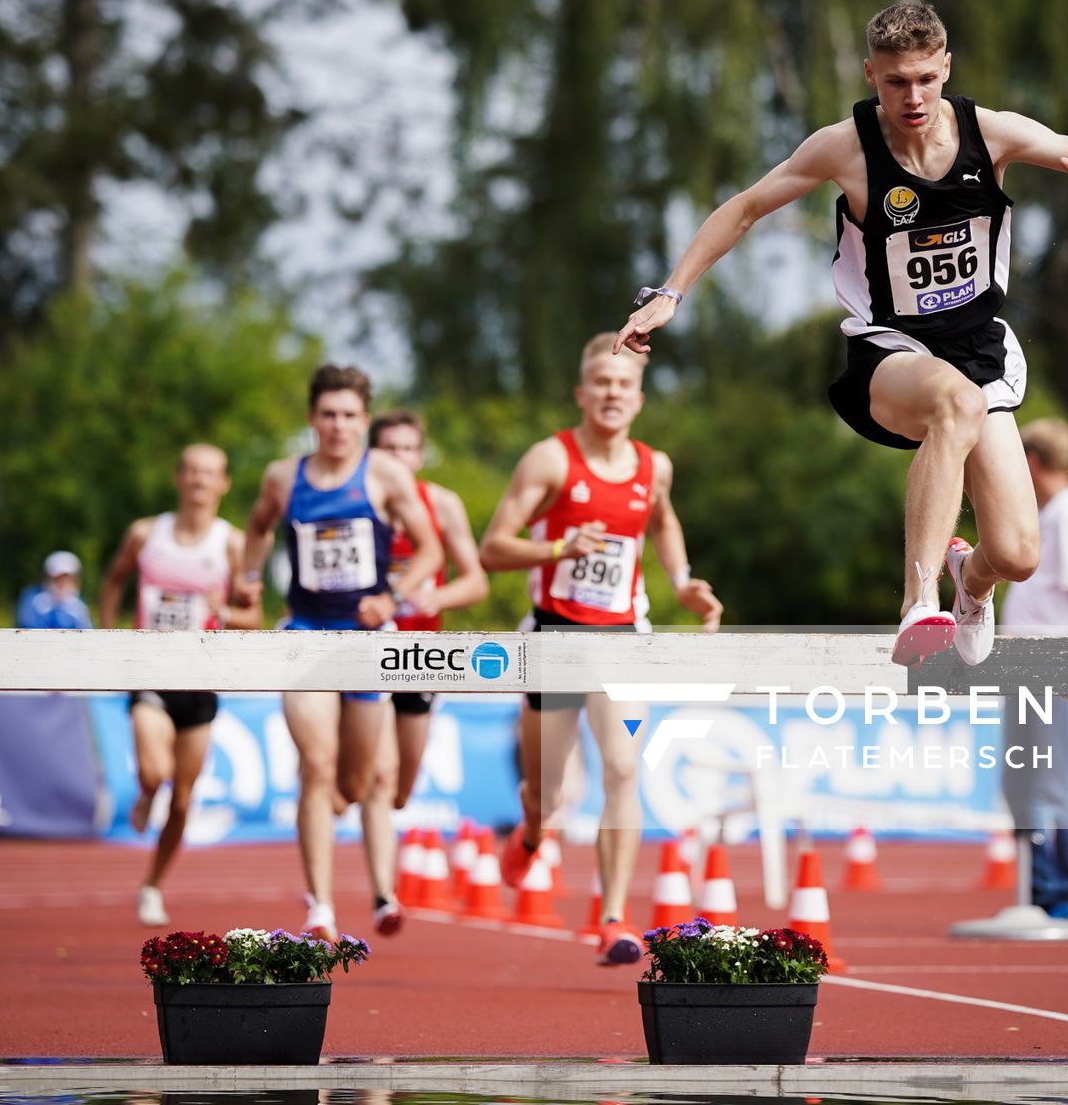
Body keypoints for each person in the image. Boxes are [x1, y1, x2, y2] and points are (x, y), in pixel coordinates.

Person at [613, 1, 1068, 669]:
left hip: (978, 351)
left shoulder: (992, 133)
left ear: (946, 66)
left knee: (1017, 554)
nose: (912, 97)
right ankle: (918, 604)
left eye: (925, 78)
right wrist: (670, 292)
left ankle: (968, 586)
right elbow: (746, 208)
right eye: (895, 83)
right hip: (890, 351)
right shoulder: (846, 147)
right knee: (956, 404)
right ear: (871, 75)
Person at [480, 334, 724, 966]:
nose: (612, 393)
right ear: (582, 393)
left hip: (623, 640)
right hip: (553, 640)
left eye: (624, 384)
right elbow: (493, 548)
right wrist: (558, 549)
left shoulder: (654, 466)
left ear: (638, 398)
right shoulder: (550, 460)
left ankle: (614, 916)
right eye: (602, 382)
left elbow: (664, 520)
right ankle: (530, 836)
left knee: (621, 768)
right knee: (548, 796)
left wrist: (683, 580)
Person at [234, 365, 444, 941]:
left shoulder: (385, 476)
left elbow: (428, 550)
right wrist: (249, 577)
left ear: (363, 421)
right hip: (303, 634)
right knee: (318, 767)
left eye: (350, 415)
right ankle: (320, 906)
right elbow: (255, 527)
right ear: (311, 419)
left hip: (366, 640)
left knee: (356, 782)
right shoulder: (284, 476)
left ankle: (369, 883)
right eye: (328, 414)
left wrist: (393, 597)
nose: (338, 425)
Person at [99, 444, 258, 927]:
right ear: (178, 477)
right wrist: (107, 641)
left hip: (202, 681)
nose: (198, 481)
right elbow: (113, 581)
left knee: (184, 799)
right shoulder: (147, 533)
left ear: (223, 483)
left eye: (208, 474)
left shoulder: (232, 544)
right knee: (153, 771)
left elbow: (255, 619)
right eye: (190, 471)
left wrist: (224, 609)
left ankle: (152, 885)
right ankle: (147, 793)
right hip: (150, 674)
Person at [998, 418, 1068, 922]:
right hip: (1029, 671)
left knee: (1052, 781)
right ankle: (1040, 889)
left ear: (1032, 461)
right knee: (1020, 780)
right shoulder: (1049, 515)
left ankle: (1066, 893)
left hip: (1056, 671)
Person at [369, 409, 490, 809]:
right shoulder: (357, 502)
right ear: (372, 455)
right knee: (377, 776)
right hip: (364, 649)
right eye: (390, 449)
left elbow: (476, 582)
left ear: (420, 457)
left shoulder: (441, 503)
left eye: (408, 449)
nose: (400, 457)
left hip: (420, 653)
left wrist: (438, 597)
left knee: (401, 791)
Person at [16, 550, 94, 629]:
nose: (63, 584)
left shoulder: (79, 606)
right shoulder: (33, 600)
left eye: (68, 579)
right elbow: (24, 627)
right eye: (58, 579)